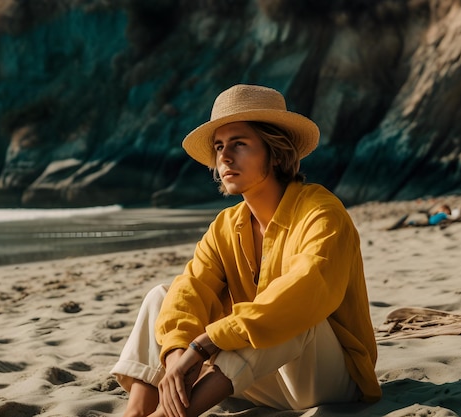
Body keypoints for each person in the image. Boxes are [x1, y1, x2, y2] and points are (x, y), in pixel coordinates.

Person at [110, 84, 381, 417]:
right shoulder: (226, 225)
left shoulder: (321, 212)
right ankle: (136, 413)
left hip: (327, 383)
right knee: (161, 297)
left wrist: (201, 345)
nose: (224, 156)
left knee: (289, 314)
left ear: (276, 152)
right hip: (254, 382)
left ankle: (167, 416)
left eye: (239, 144)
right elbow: (191, 288)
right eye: (220, 146)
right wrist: (176, 354)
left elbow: (304, 293)